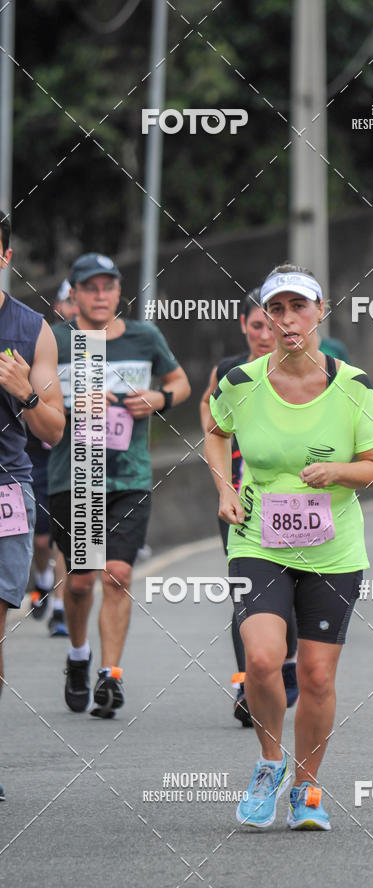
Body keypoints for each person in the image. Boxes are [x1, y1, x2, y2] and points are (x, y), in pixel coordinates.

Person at [205, 264, 373, 829]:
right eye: (276, 310)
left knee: (315, 676)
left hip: (332, 549)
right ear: (264, 316)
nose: (288, 320)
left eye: (299, 308)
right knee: (262, 658)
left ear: (320, 311)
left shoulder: (353, 386)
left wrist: (338, 470)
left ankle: (307, 788)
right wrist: (225, 486)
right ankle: (268, 765)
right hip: (257, 537)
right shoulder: (241, 382)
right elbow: (215, 432)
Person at [48, 252, 190, 718]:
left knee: (118, 575)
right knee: (82, 583)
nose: (101, 295)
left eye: (108, 286)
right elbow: (37, 404)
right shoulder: (56, 342)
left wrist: (159, 398)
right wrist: (69, 406)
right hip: (76, 476)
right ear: (74, 294)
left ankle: (111, 676)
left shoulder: (144, 337)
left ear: (118, 291)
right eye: (91, 287)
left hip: (129, 476)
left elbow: (181, 382)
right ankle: (78, 656)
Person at [200, 288, 299, 727]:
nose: (265, 332)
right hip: (242, 501)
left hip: (297, 502)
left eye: (271, 323)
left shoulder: (316, 366)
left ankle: (288, 660)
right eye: (257, 324)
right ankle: (246, 681)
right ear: (244, 326)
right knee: (248, 591)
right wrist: (226, 486)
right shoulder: (230, 372)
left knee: (292, 590)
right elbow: (211, 417)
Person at [0, 211, 66, 799]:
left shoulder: (32, 330)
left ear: (5, 258)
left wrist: (23, 391)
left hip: (5, 492)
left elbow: (52, 429)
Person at [27, 279, 77, 635]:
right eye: (69, 301)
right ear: (58, 306)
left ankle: (60, 607)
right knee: (41, 539)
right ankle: (42, 577)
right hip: (36, 454)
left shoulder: (93, 349)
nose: (75, 308)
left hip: (72, 455)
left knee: (64, 534)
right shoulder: (40, 342)